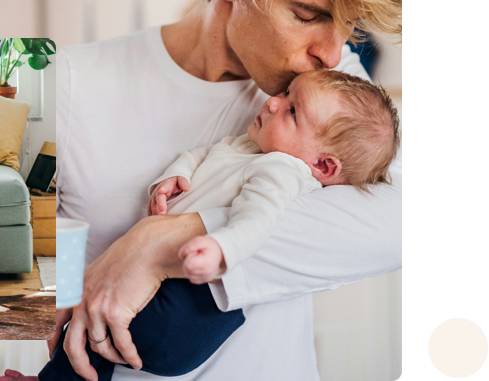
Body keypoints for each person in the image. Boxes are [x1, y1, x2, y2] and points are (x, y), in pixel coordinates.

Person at [0, 0, 402, 381]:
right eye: (308, 14)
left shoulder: (331, 90)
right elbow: (12, 283)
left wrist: (159, 241)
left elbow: (393, 225)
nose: (331, 52)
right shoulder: (68, 85)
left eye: (348, 25)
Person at [39, 69, 400, 380]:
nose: (273, 101)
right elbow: (202, 155)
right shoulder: (249, 145)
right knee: (95, 327)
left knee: (98, 326)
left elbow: (258, 219)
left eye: (292, 111)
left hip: (194, 310)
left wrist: (219, 246)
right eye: (286, 92)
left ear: (322, 167)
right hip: (174, 291)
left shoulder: (281, 170)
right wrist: (175, 176)